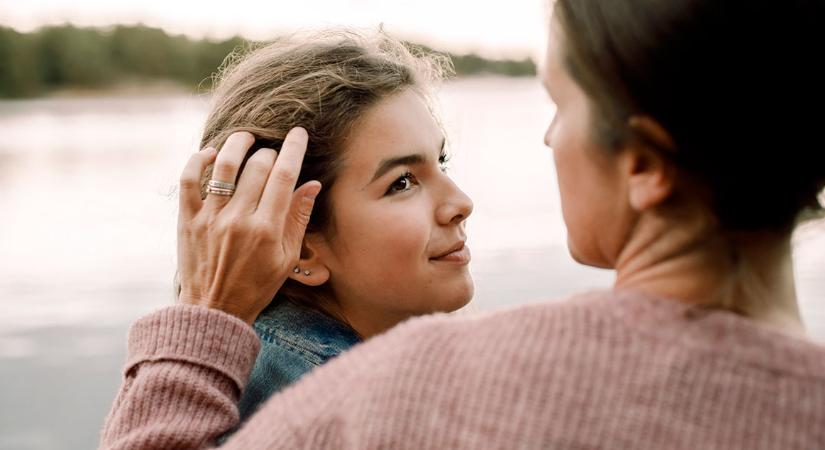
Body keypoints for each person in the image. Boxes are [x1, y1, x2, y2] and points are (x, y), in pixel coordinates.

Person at [99, 0, 825, 448]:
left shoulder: (404, 392)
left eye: (559, 102)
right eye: (405, 179)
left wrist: (201, 318)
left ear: (644, 162)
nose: (548, 139)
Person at [186, 30, 474, 423]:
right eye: (402, 182)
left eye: (441, 162)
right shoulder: (339, 412)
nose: (460, 203)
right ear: (301, 247)